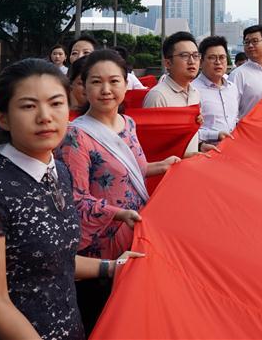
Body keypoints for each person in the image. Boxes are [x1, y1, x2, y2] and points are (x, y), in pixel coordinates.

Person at [0, 58, 141, 340]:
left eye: (55, 103)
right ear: (2, 117)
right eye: (28, 106)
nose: (45, 116)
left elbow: (55, 259)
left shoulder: (60, 173)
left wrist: (114, 267)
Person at [57, 50, 178, 333]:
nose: (106, 90)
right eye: (96, 82)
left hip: (134, 234)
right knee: (101, 318)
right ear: (83, 87)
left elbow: (131, 171)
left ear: (126, 84)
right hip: (100, 244)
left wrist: (163, 165)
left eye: (114, 81)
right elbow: (76, 198)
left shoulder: (129, 124)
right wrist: (119, 213)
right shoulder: (75, 135)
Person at [193, 36, 239, 148]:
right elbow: (187, 132)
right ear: (201, 61)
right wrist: (215, 135)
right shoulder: (192, 90)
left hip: (234, 150)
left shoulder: (232, 88)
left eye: (222, 57)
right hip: (208, 153)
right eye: (212, 58)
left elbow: (235, 120)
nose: (218, 62)